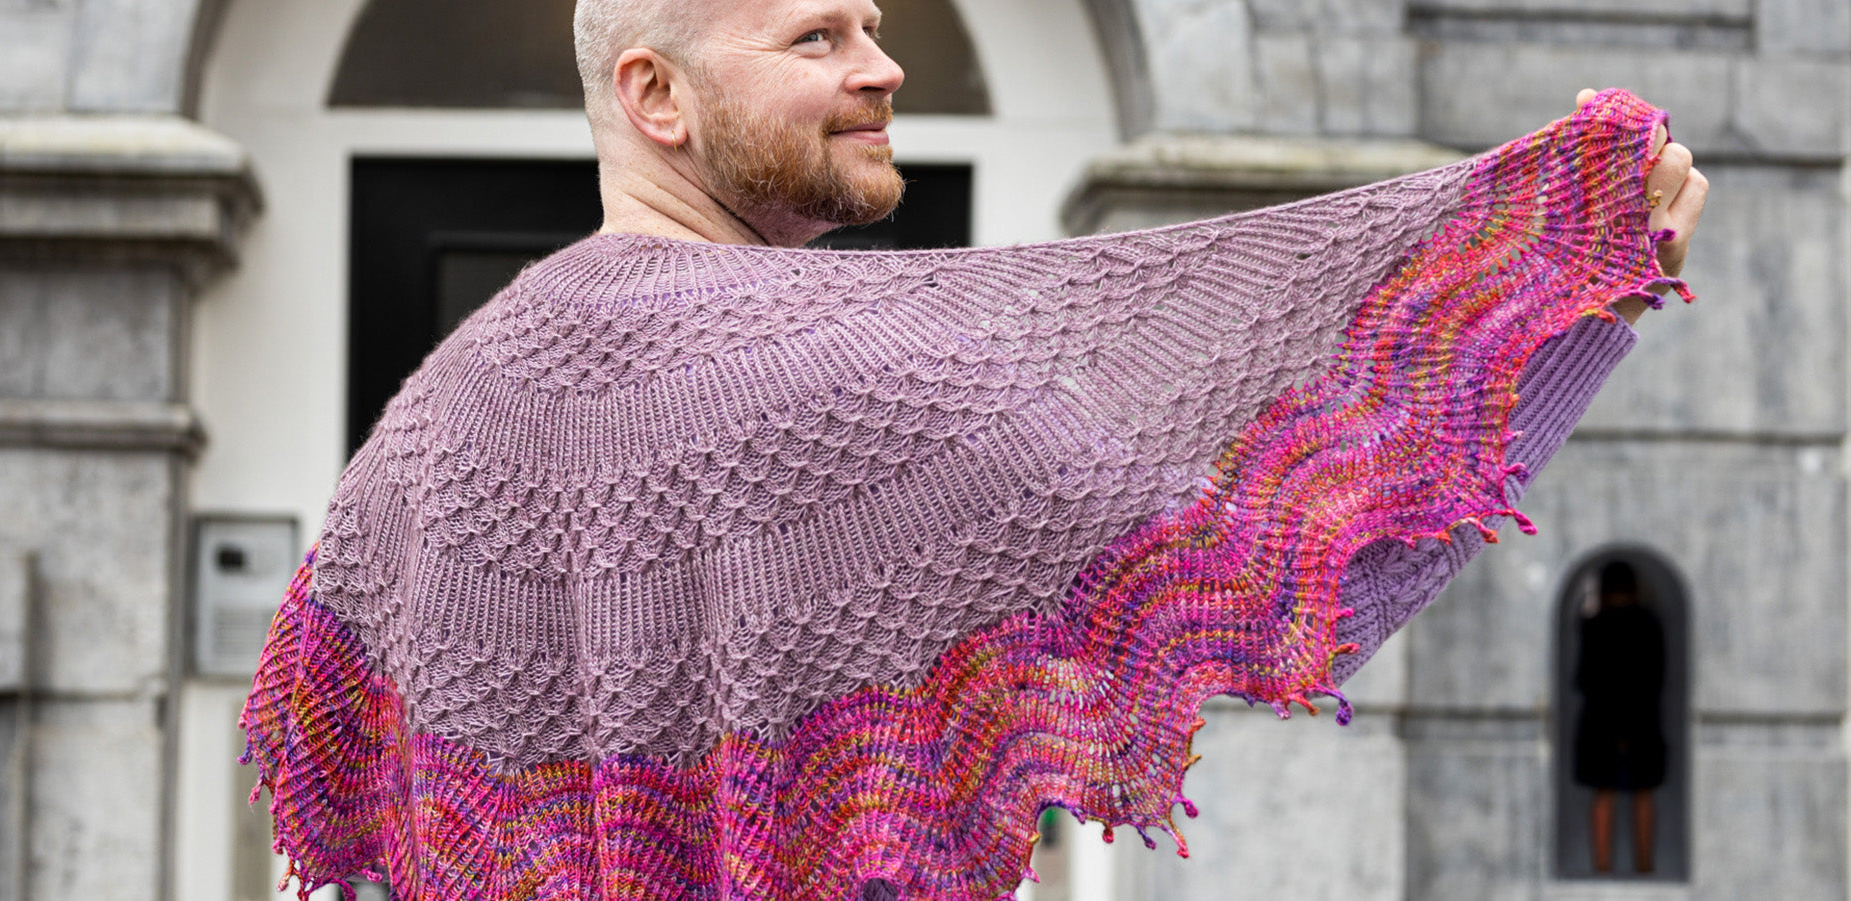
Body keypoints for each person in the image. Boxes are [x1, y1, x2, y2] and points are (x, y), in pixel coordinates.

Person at [239, 2, 1709, 898]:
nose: (885, 67)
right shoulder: (861, 379)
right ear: (655, 97)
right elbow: (1274, 564)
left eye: (874, 28)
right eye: (818, 36)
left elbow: (323, 779)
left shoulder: (421, 431)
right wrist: (1573, 266)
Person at [1574, 559, 1669, 874]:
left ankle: (1601, 866)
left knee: (1604, 792)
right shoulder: (1649, 623)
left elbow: (1583, 678)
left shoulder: (1594, 624)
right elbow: (1658, 675)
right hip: (1642, 716)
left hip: (1601, 718)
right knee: (1643, 791)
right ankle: (1645, 865)